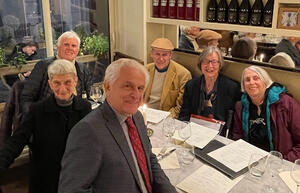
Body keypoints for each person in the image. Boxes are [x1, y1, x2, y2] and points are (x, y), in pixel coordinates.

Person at [58, 58, 176, 193]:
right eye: (128, 86)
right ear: (107, 87)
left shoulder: (136, 116)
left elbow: (148, 158)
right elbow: (71, 190)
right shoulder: (87, 131)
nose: (136, 95)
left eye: (140, 88)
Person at [0, 59, 91, 193]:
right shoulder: (37, 110)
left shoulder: (85, 108)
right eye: (57, 83)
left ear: (75, 81)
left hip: (75, 177)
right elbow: (17, 140)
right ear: (50, 84)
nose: (62, 88)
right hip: (46, 178)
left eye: (67, 82)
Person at [231, 66, 300, 162]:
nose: (251, 82)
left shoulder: (285, 103)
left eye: (256, 78)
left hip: (279, 164)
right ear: (244, 86)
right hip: (250, 161)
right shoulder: (241, 106)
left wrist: (282, 162)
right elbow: (237, 136)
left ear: (265, 82)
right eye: (247, 80)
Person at [21, 31, 93, 112]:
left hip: (77, 117)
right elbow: (27, 98)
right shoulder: (42, 66)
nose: (70, 48)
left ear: (78, 50)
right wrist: (35, 117)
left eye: (73, 46)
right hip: (47, 115)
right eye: (66, 44)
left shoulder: (83, 69)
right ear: (57, 47)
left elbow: (91, 96)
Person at [179, 46, 241, 134]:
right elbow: (184, 114)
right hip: (193, 131)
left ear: (220, 64)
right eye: (205, 61)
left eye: (214, 62)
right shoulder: (191, 85)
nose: (210, 66)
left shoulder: (231, 88)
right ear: (200, 64)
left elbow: (233, 123)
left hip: (218, 135)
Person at [144, 38, 191, 118]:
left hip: (166, 117)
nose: (160, 58)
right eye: (157, 54)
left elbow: (180, 107)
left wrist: (163, 118)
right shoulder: (145, 70)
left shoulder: (183, 74)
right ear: (151, 54)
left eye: (164, 55)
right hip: (145, 113)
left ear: (170, 55)